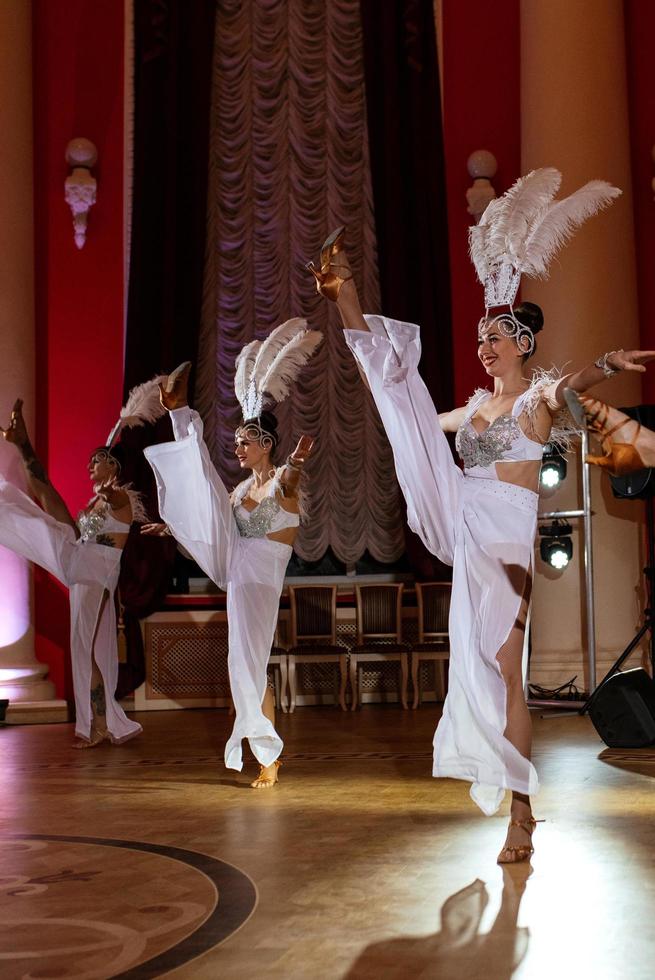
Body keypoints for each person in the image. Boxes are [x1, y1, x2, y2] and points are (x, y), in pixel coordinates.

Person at [307, 168, 655, 861]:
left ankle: (521, 812)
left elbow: (573, 385)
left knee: (502, 670)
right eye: (477, 339)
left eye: (495, 336)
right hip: (462, 510)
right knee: (399, 398)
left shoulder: (536, 401)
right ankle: (343, 296)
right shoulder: (472, 407)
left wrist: (602, 364)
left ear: (520, 344)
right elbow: (405, 409)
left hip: (504, 532)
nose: (484, 346)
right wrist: (382, 403)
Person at [143, 319, 321, 788]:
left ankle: (269, 754)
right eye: (236, 440)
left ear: (266, 444)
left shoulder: (282, 481)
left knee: (248, 664)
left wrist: (298, 461)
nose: (238, 447)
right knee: (245, 665)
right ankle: (267, 753)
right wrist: (172, 525)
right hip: (239, 573)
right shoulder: (241, 488)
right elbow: (212, 518)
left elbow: (292, 480)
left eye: (245, 441)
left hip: (261, 578)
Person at [0, 385, 164, 746]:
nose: (90, 464)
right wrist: (23, 446)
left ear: (113, 466)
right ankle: (101, 725)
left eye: (97, 459)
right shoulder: (93, 506)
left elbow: (118, 496)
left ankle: (97, 725)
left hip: (97, 572)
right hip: (78, 560)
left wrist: (110, 489)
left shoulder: (119, 499)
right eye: (90, 460)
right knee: (39, 517)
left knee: (86, 650)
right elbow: (45, 491)